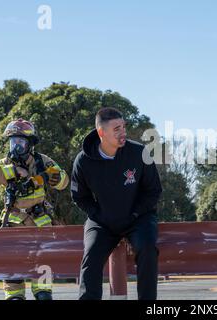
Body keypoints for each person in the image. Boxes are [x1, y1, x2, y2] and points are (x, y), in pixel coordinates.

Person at [71, 107, 162, 300]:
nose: (123, 132)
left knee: (147, 249)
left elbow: (153, 191)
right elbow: (80, 196)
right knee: (91, 256)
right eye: (116, 129)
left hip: (138, 218)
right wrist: (98, 215)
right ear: (101, 132)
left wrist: (136, 214)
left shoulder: (139, 153)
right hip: (102, 221)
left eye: (123, 127)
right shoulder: (83, 161)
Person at [0, 118, 69, 300]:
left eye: (20, 142)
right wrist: (14, 172)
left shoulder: (41, 161)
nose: (16, 146)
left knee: (43, 288)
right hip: (14, 225)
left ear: (29, 144)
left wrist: (46, 178)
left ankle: (43, 292)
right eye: (12, 141)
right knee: (14, 285)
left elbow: (63, 181)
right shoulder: (4, 162)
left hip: (41, 223)